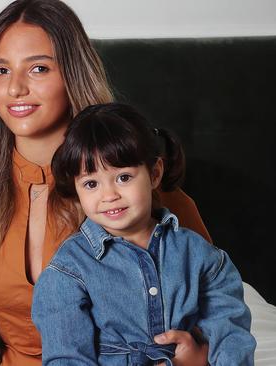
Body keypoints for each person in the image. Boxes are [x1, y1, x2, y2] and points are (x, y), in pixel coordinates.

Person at [0, 0, 211, 365]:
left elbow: (213, 299)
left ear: (72, 74)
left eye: (38, 68)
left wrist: (201, 351)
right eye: (0, 71)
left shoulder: (138, 187)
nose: (15, 89)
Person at [31, 103, 256, 365]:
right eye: (91, 183)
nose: (109, 196)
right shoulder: (68, 271)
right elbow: (67, 359)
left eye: (124, 177)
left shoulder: (200, 256)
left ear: (154, 174)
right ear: (76, 190)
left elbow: (230, 335)